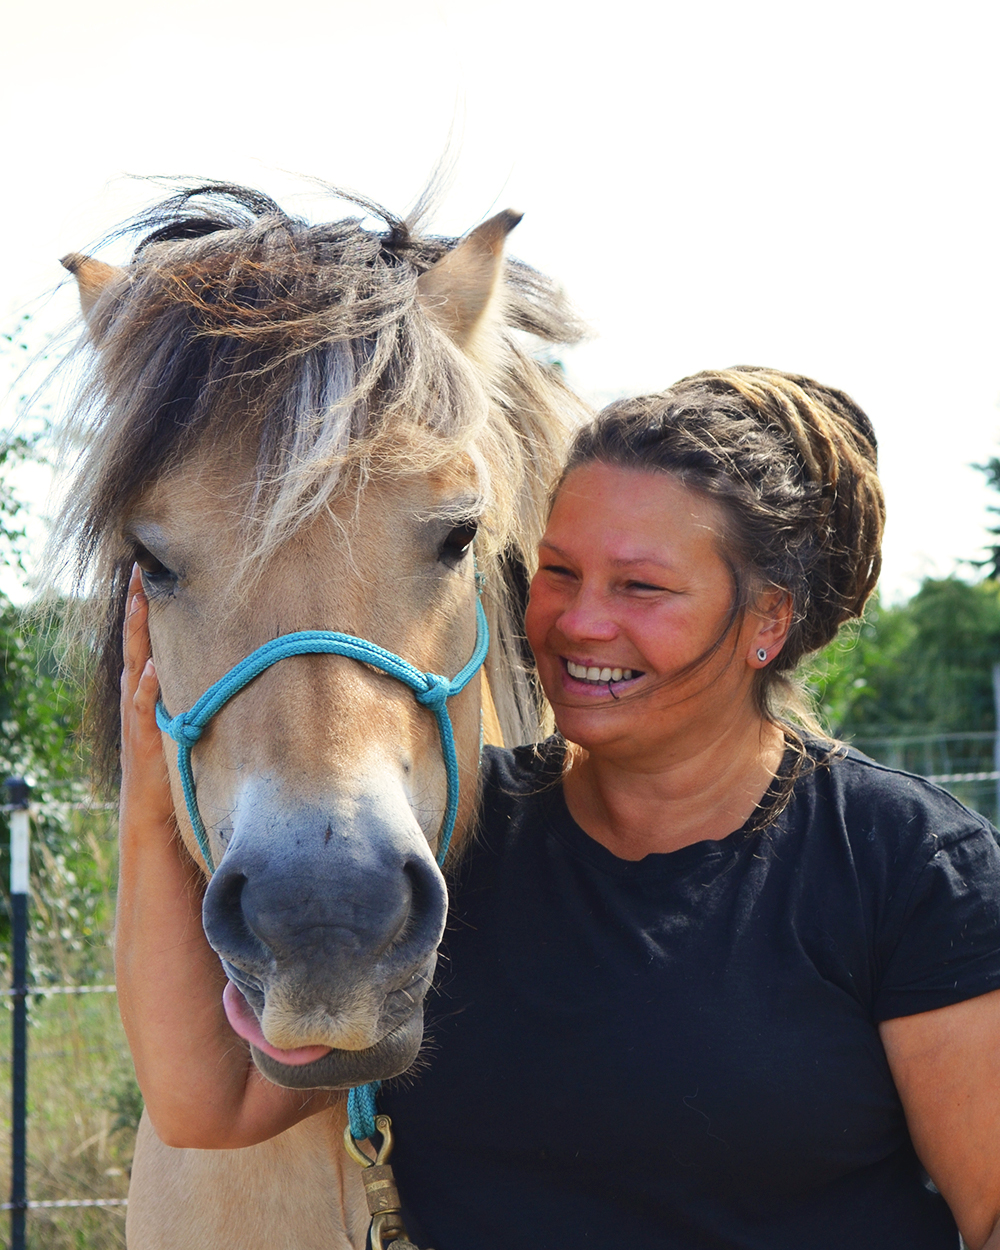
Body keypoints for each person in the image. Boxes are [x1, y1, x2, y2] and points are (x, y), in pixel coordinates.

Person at [119, 366, 1000, 1249]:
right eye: (560, 572)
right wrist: (155, 767)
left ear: (766, 620)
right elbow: (208, 1109)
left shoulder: (904, 864)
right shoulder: (453, 847)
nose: (579, 622)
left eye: (640, 588)